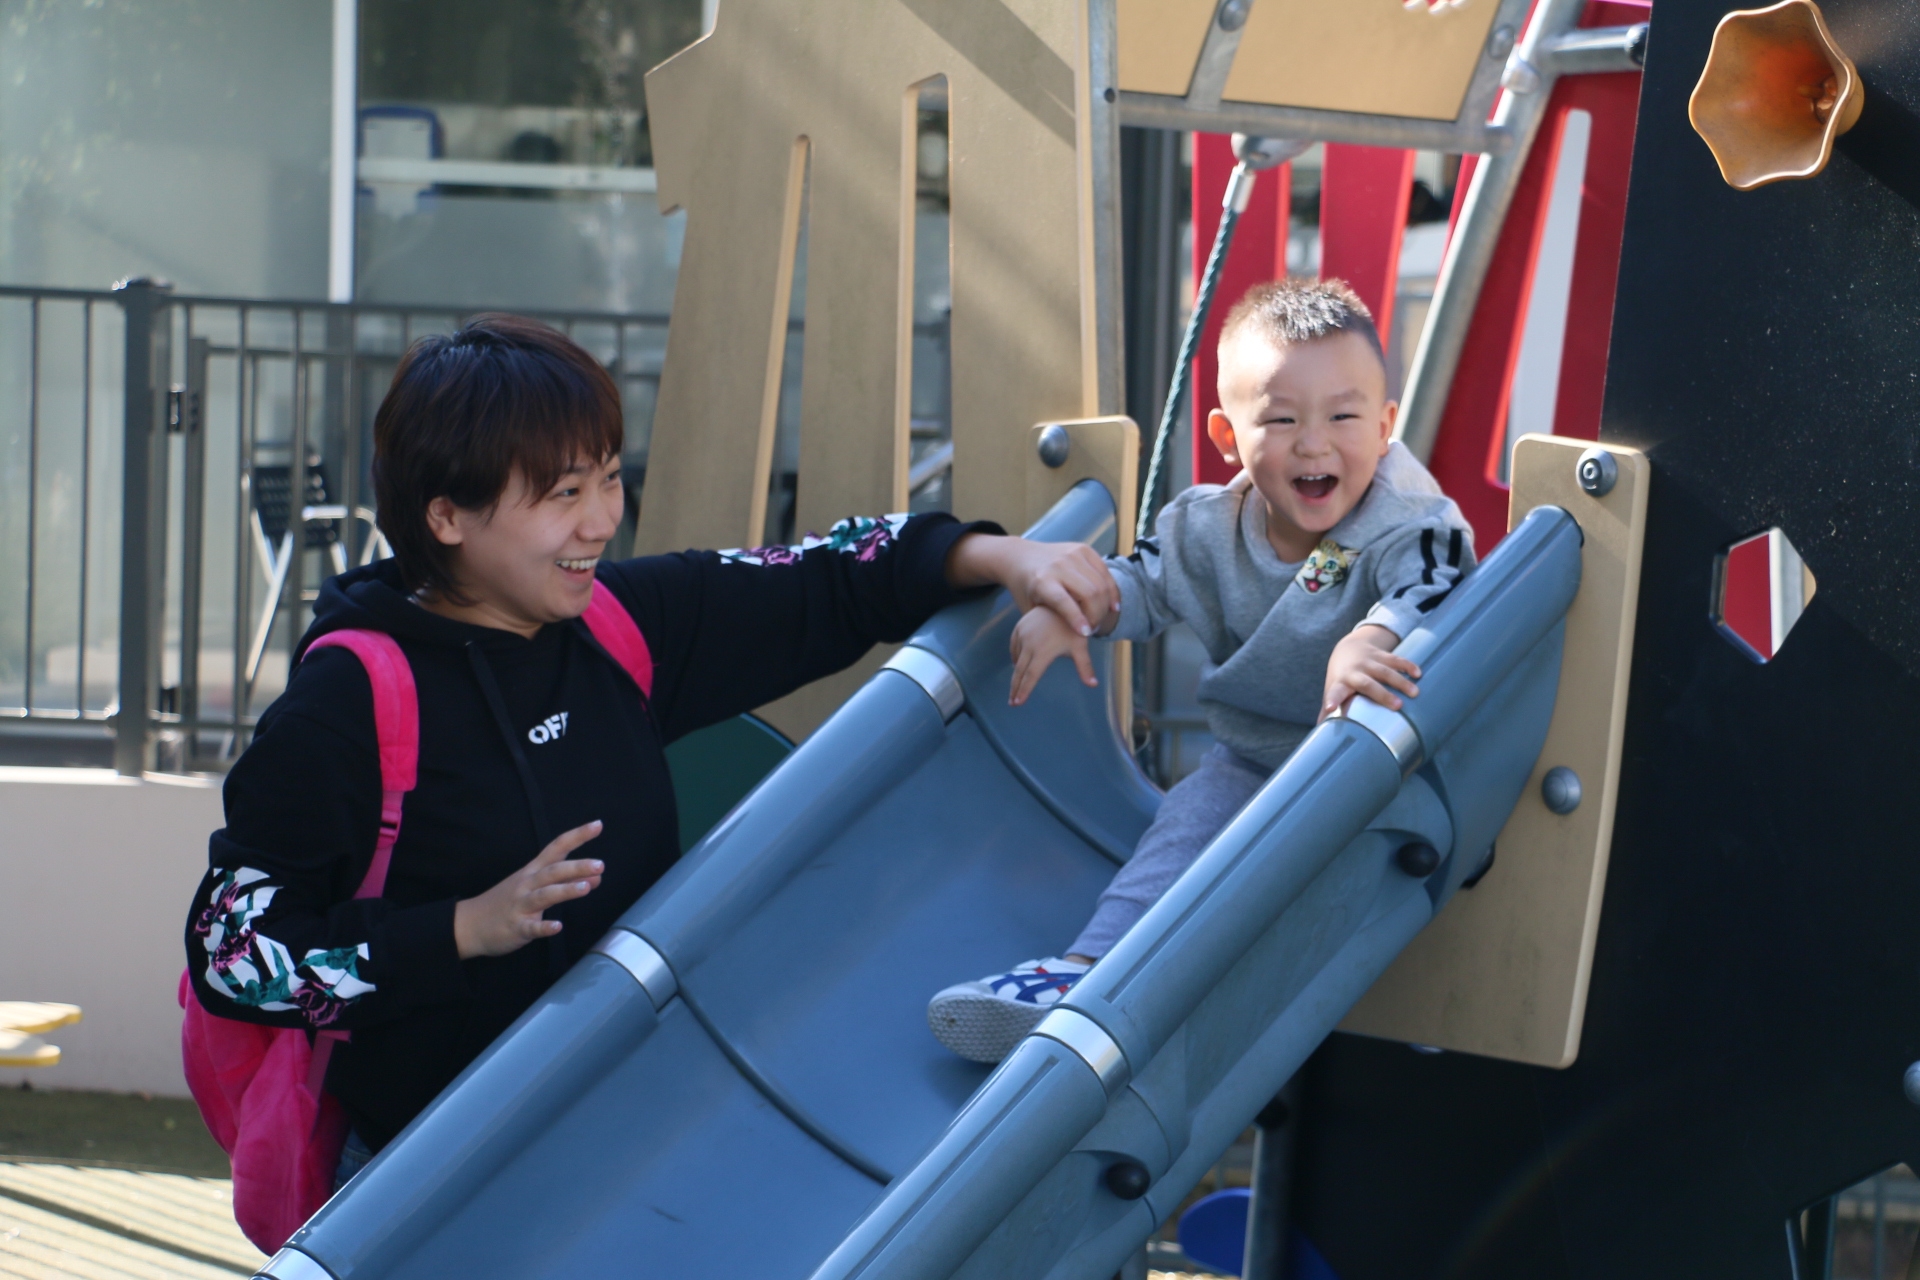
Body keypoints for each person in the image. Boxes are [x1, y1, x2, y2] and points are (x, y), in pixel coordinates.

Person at [183, 314, 1117, 1184]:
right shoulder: (349, 701)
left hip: (623, 1149)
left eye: (607, 480)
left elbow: (830, 576)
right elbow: (234, 953)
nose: (599, 521)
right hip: (427, 1178)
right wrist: (461, 930)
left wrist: (1006, 561)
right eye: (562, 495)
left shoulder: (617, 626)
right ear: (446, 517)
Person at [927, 279, 1476, 1064]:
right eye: (1281, 419)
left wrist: (1376, 633)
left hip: (1387, 767)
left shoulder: (1403, 519)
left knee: (1309, 902)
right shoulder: (1207, 526)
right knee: (1184, 829)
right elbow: (1143, 584)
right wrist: (1071, 608)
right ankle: (1084, 978)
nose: (1315, 444)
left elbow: (1443, 579)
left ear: (1386, 428)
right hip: (1258, 759)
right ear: (1226, 433)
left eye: (1344, 417)